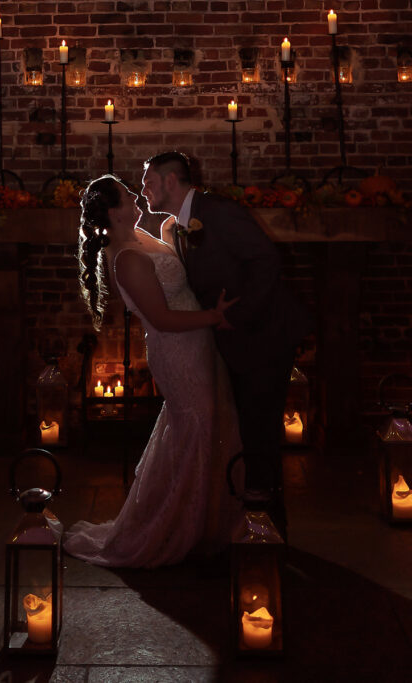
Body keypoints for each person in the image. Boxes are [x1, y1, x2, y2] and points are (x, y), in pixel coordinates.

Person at [64, 174, 243, 568]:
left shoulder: (140, 236)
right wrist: (214, 317)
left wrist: (169, 231)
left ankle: (205, 523)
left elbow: (176, 274)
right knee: (196, 430)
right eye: (128, 195)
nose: (136, 196)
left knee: (203, 429)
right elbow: (161, 319)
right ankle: (180, 528)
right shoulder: (126, 258)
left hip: (197, 343)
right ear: (114, 211)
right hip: (178, 349)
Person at [141, 151, 311, 535]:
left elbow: (266, 260)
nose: (144, 189)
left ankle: (267, 534)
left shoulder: (216, 211)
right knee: (248, 431)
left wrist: (234, 317)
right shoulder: (177, 225)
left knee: (261, 433)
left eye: (148, 180)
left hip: (264, 337)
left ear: (171, 180)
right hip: (235, 343)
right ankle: (250, 526)